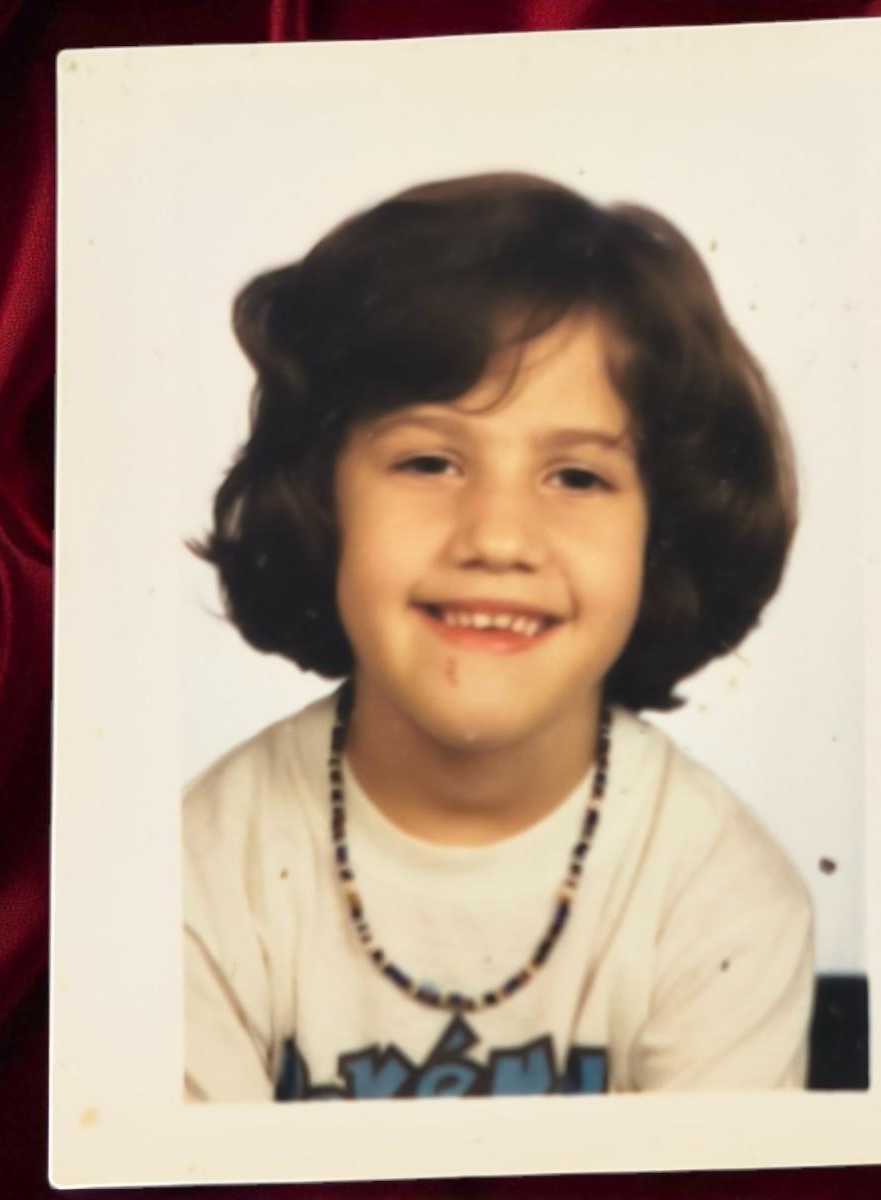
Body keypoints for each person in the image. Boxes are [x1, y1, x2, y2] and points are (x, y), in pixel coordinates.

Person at [184, 173, 814, 1101]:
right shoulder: (202, 867)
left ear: (662, 533)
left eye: (577, 477)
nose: (498, 538)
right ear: (320, 498)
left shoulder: (720, 894)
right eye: (429, 461)